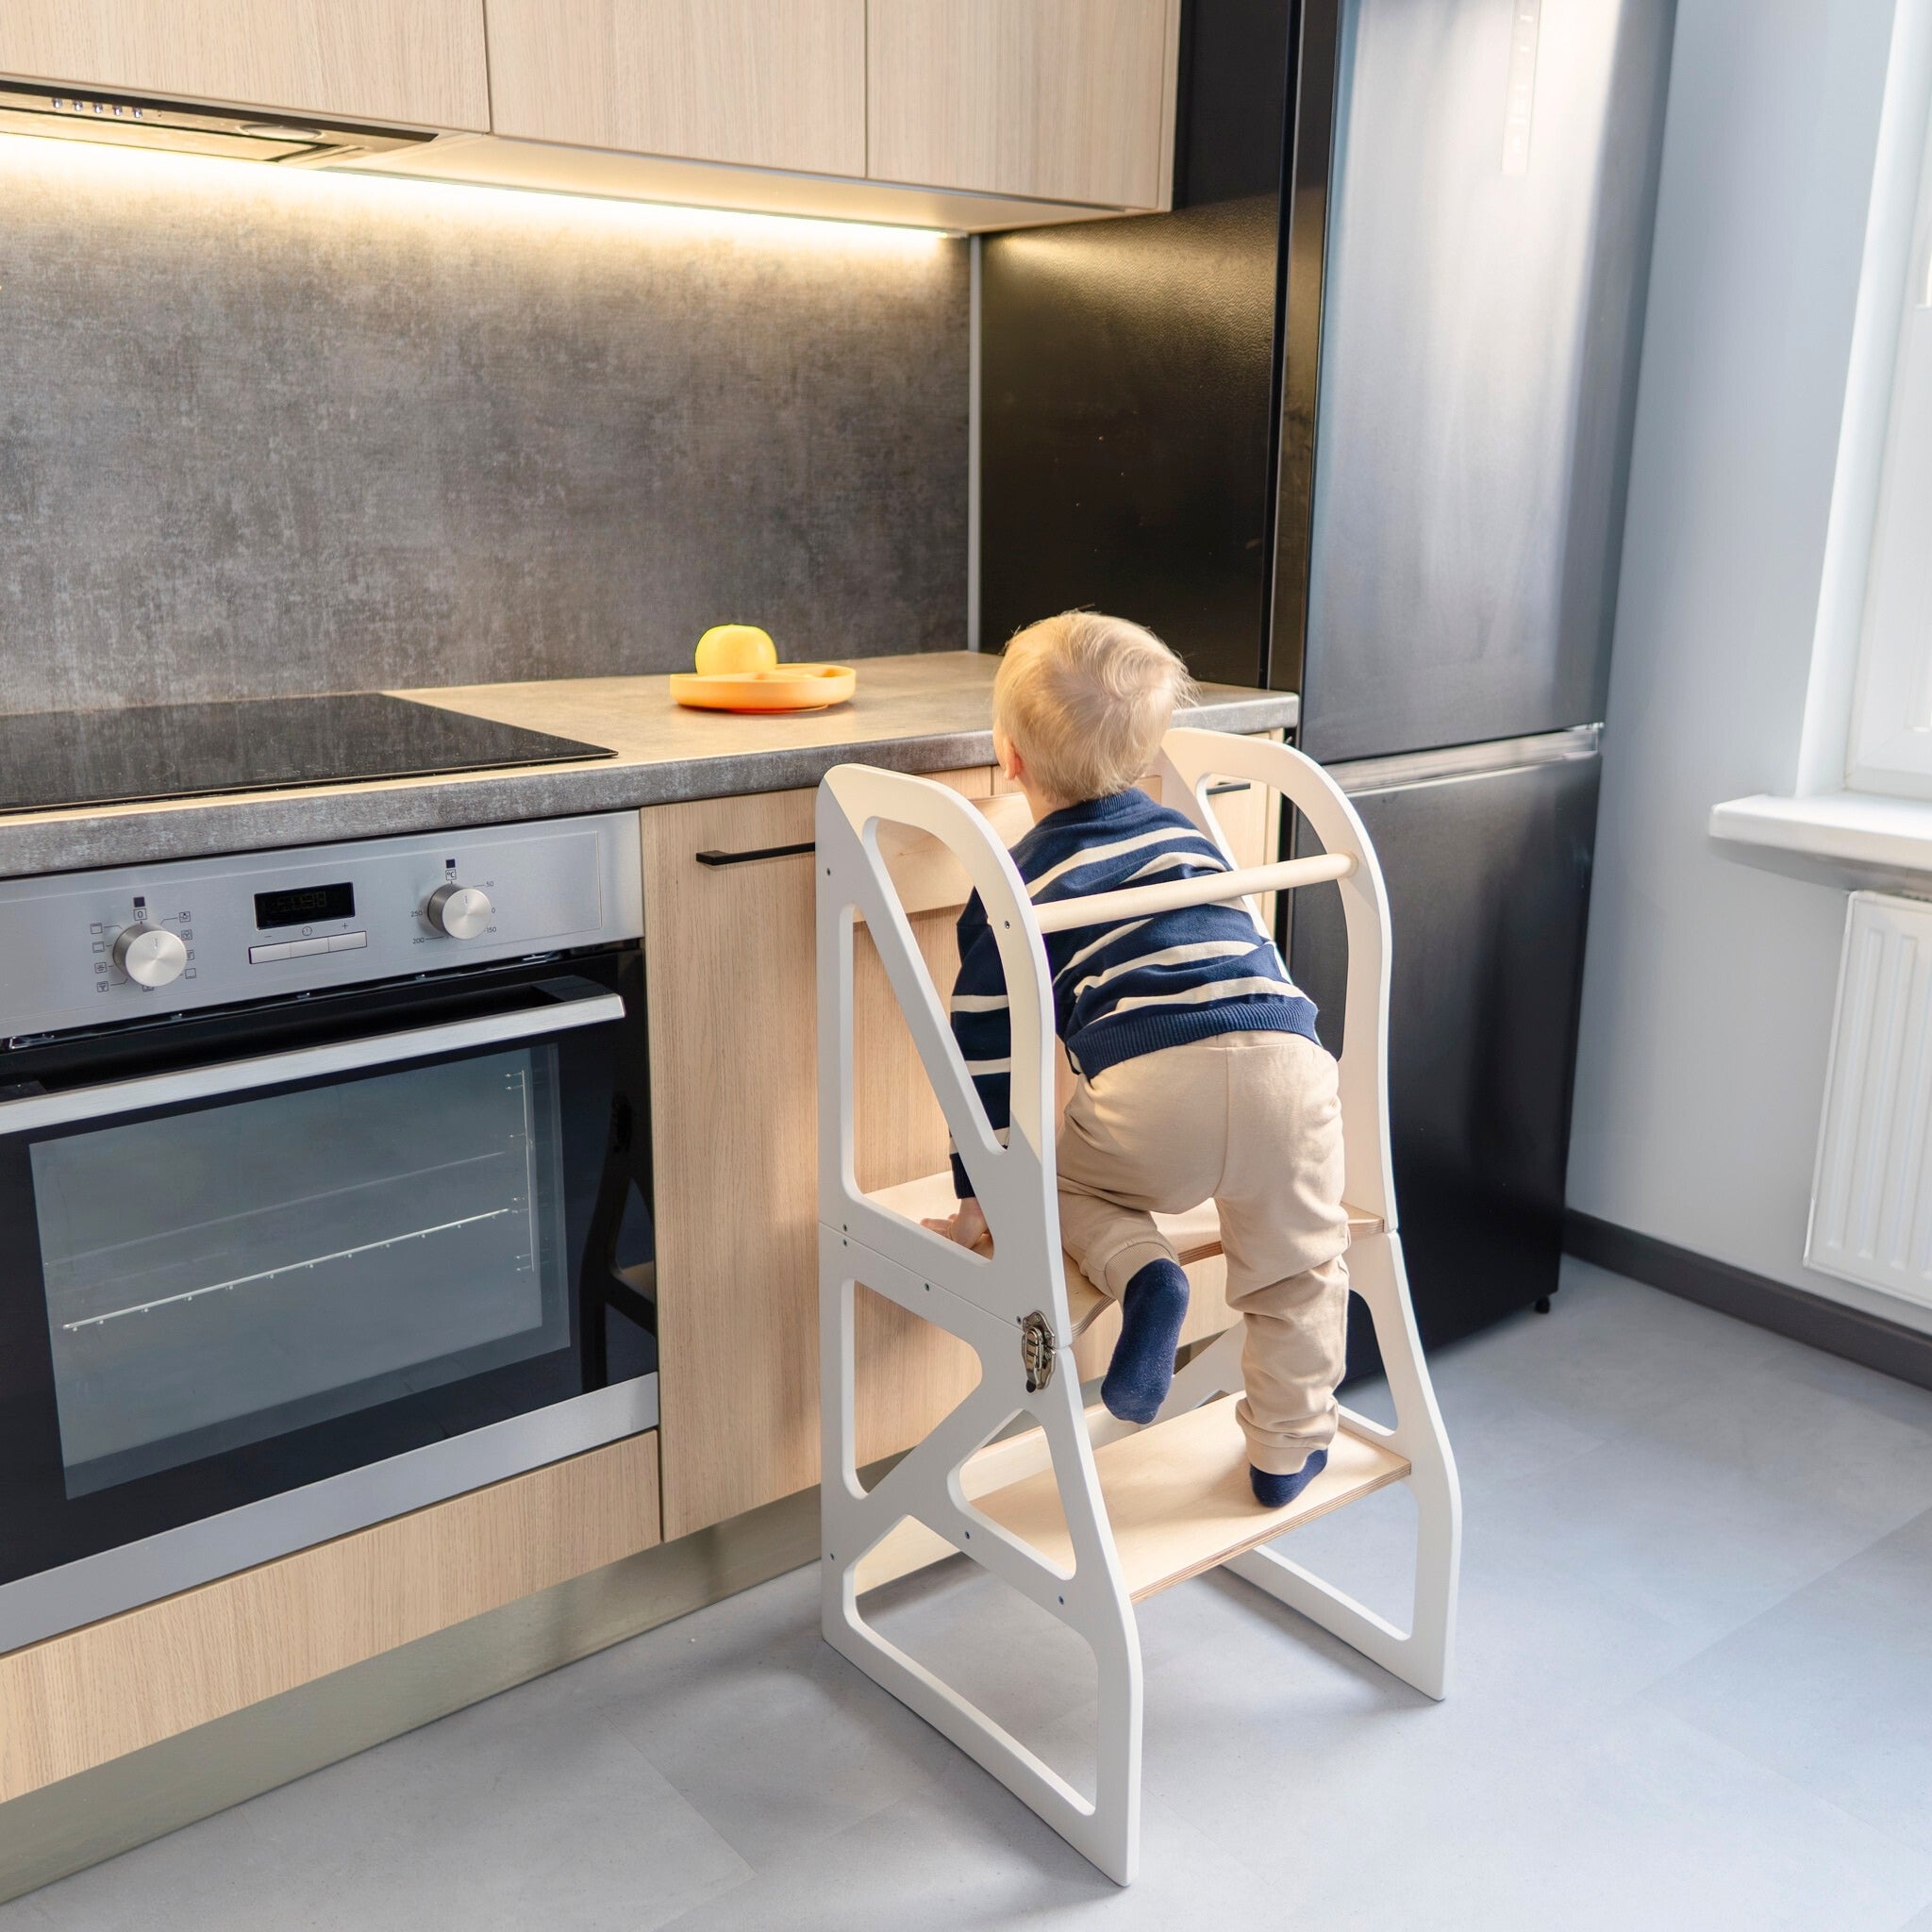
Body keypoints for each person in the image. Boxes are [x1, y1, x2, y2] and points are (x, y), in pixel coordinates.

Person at [924, 610, 1350, 1507]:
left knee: (1054, 1183)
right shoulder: (1196, 839)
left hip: (1156, 1097)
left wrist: (976, 1196)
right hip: (1292, 1065)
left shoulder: (1012, 881)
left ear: (1011, 759)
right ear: (1151, 753)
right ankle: (1286, 1449)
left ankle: (1143, 1275)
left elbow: (983, 1060)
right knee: (1299, 1266)